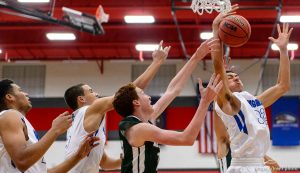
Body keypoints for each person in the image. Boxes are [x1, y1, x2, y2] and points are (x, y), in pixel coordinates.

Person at [113, 39, 222, 173]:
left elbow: (173, 90)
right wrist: (204, 102)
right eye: (143, 93)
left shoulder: (143, 120)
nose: (148, 96)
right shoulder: (139, 129)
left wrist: (196, 57)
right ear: (136, 102)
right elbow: (186, 139)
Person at [63, 41, 171, 173]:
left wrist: (128, 157)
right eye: (91, 91)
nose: (96, 93)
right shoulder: (89, 110)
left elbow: (105, 164)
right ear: (81, 99)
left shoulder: (80, 127)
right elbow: (128, 93)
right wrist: (157, 62)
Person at [211, 4, 293, 173]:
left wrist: (283, 50)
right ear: (222, 84)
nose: (236, 77)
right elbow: (218, 67)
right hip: (242, 165)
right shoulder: (229, 103)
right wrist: (215, 31)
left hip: (259, 163)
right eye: (230, 78)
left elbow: (283, 86)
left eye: (236, 75)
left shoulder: (252, 101)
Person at [0, 79, 100, 173]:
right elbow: (22, 161)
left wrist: (78, 156)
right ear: (10, 97)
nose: (26, 94)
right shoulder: (9, 115)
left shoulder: (18, 120)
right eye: (20, 90)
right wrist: (55, 130)